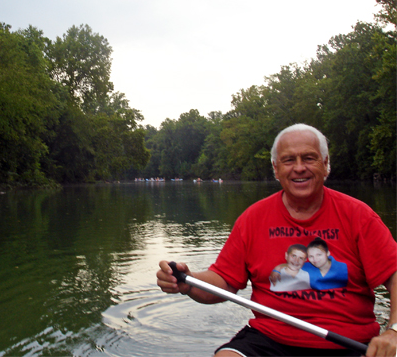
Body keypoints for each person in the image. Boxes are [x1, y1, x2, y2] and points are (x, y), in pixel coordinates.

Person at [157, 123, 397, 357]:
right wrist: (189, 282)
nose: (299, 168)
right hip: (270, 338)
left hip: (349, 343)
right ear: (276, 168)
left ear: (325, 165)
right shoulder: (253, 218)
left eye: (309, 158)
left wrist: (393, 332)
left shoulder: (359, 216)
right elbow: (224, 281)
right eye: (289, 160)